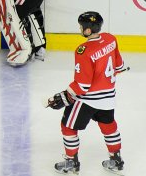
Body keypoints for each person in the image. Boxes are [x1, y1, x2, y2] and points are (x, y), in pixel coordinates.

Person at [48, 11, 127, 175]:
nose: (80, 28)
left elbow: (82, 85)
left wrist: (64, 95)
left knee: (68, 127)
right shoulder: (110, 38)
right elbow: (119, 66)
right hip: (109, 97)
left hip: (88, 99)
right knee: (108, 126)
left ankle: (71, 163)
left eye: (81, 26)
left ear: (88, 30)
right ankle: (116, 160)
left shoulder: (83, 50)